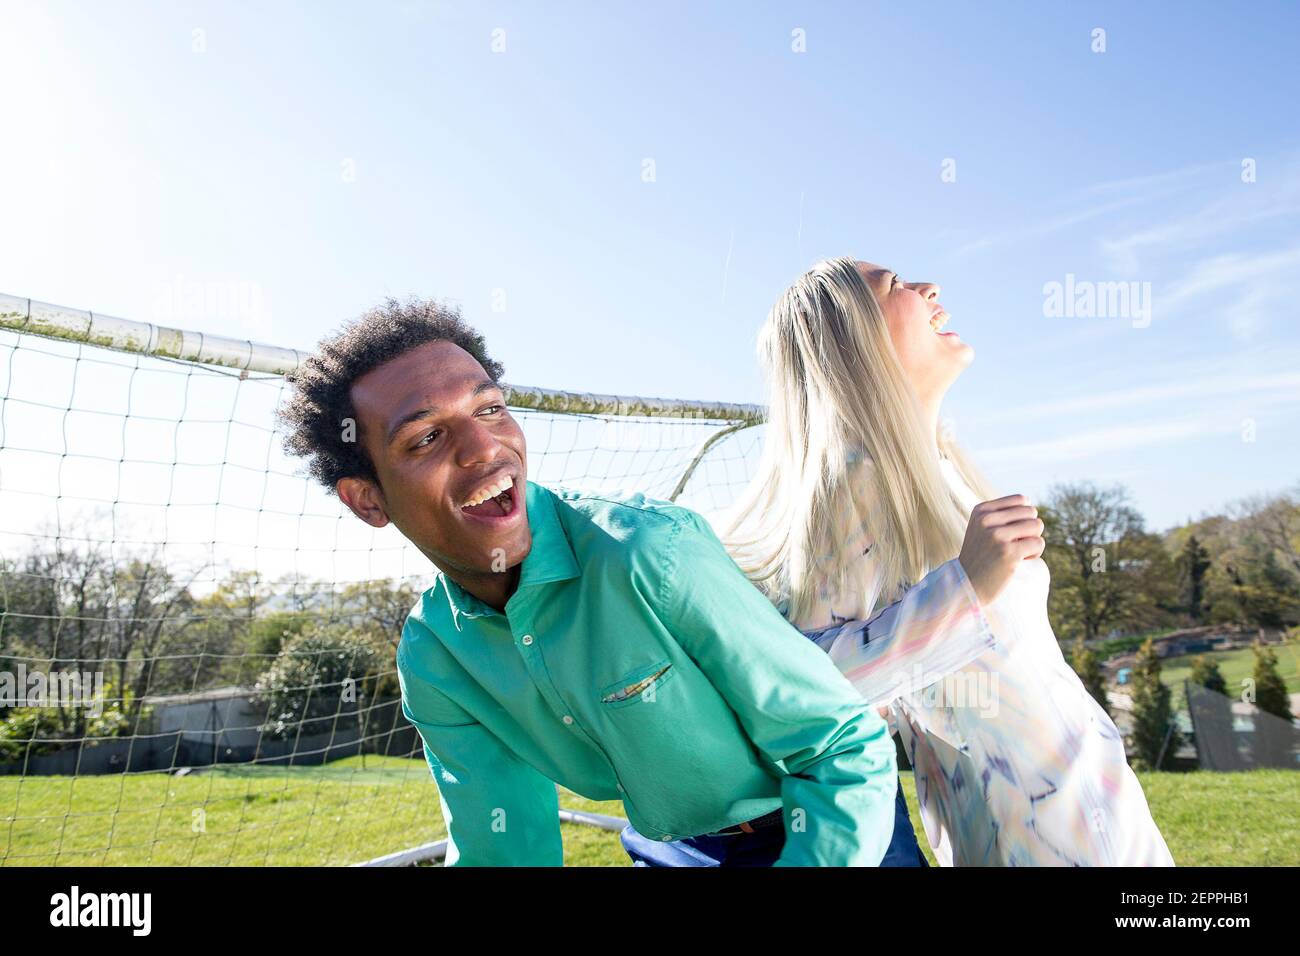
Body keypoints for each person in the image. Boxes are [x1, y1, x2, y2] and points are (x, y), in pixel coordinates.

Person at [275, 296, 902, 866]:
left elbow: (842, 749)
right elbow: (505, 848)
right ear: (366, 501)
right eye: (427, 436)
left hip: (825, 820)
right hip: (671, 847)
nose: (484, 448)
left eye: (490, 409)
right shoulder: (436, 656)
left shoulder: (652, 553)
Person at [720, 257, 1175, 866]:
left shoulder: (935, 471)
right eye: (892, 287)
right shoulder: (861, 481)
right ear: (854, 339)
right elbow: (814, 688)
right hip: (1036, 845)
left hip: (1096, 819)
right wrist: (966, 588)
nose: (928, 287)